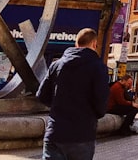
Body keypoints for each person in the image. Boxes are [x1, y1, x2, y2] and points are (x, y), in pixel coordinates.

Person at [36, 29, 108, 160]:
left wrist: (58, 107)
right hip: (82, 134)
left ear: (76, 44)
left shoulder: (56, 65)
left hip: (55, 131)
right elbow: (101, 103)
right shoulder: (98, 67)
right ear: (94, 44)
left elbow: (41, 95)